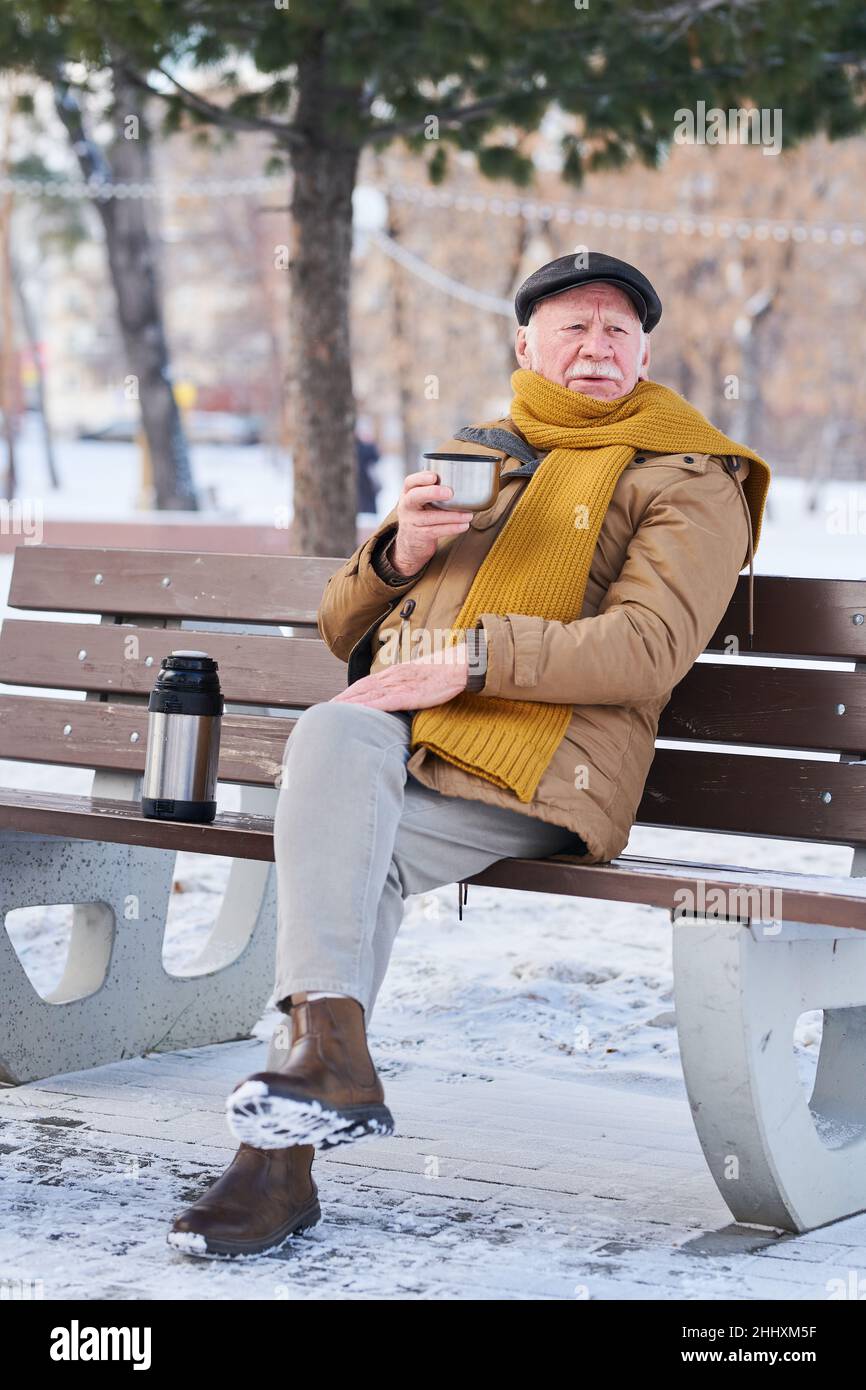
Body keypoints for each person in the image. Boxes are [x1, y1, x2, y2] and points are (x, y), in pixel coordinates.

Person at [168, 251, 772, 1258]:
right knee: (336, 747)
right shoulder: (478, 457)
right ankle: (320, 1074)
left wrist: (474, 657)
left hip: (548, 769)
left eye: (618, 330)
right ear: (523, 344)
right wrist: (396, 554)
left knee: (344, 826)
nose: (596, 346)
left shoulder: (686, 477)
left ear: (645, 352)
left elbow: (648, 649)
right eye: (572, 326)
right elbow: (337, 626)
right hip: (411, 755)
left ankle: (276, 1156)